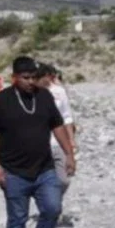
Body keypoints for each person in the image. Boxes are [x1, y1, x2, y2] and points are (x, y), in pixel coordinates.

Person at [0, 56, 76, 228]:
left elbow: (58, 125)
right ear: (14, 77)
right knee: (18, 218)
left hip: (44, 168)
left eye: (34, 77)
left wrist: (70, 153)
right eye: (26, 78)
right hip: (13, 171)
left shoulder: (44, 97)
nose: (31, 82)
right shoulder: (0, 101)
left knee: (53, 209)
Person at [36, 65, 76, 193]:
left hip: (58, 142)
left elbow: (67, 117)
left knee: (64, 180)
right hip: (39, 143)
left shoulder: (59, 91)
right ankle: (49, 205)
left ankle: (53, 202)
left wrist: (71, 140)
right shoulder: (31, 94)